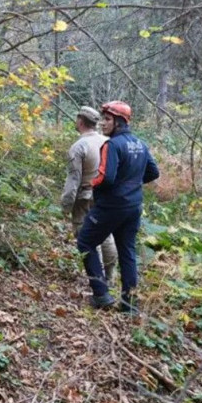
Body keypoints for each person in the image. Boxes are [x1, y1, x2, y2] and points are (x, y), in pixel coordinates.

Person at [76, 100, 159, 313]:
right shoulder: (141, 144)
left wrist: (90, 184)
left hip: (111, 206)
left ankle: (101, 294)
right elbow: (153, 172)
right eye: (104, 118)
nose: (103, 123)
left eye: (108, 119)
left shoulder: (111, 145)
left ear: (119, 122)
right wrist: (132, 184)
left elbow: (106, 178)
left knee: (85, 241)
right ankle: (130, 304)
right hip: (133, 206)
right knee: (127, 251)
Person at [60, 106, 118, 284]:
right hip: (106, 196)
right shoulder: (108, 142)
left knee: (86, 237)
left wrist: (66, 205)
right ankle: (110, 276)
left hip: (85, 197)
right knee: (106, 233)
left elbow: (73, 180)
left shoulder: (79, 147)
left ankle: (97, 279)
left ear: (80, 121)